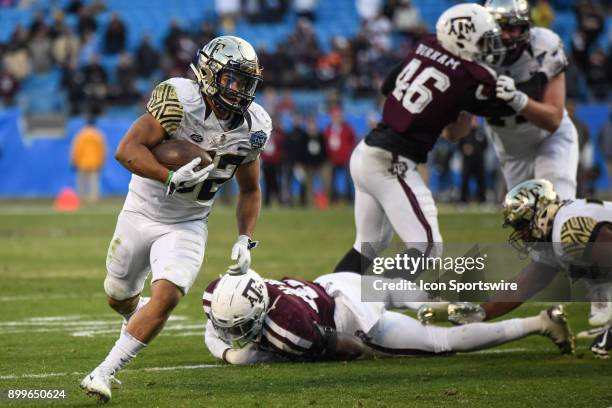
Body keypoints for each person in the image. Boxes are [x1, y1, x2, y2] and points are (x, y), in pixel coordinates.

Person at [80, 36, 271, 403]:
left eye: (246, 82)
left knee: (166, 295)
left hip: (188, 222)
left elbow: (250, 190)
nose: (240, 89)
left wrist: (244, 238)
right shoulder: (180, 100)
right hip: (140, 211)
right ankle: (132, 319)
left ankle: (104, 371)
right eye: (232, 79)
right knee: (118, 296)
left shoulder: (254, 126)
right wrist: (167, 176)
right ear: (210, 74)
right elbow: (126, 150)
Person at [334, 3, 509, 274]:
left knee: (367, 247)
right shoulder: (471, 77)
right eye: (482, 41)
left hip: (368, 150)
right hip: (391, 160)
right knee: (426, 249)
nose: (487, 48)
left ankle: (324, 307)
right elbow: (457, 133)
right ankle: (377, 301)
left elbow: (386, 86)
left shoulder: (425, 44)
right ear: (462, 37)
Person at [203, 269, 573, 364]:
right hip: (337, 283)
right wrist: (230, 353)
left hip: (352, 317)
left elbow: (349, 347)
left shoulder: (290, 329)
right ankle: (469, 300)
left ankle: (540, 322)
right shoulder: (223, 289)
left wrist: (367, 348)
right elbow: (214, 326)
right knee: (429, 299)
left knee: (440, 342)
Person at [449, 179, 612, 358]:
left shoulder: (568, 232)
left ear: (541, 211)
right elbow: (524, 285)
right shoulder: (553, 237)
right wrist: (478, 314)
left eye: (521, 224)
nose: (520, 233)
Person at [480, 0, 579, 201]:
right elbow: (453, 133)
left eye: (513, 28)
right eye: (500, 28)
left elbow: (553, 120)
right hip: (510, 150)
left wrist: (518, 100)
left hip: (549, 138)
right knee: (527, 226)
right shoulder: (473, 55)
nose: (506, 36)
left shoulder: (544, 45)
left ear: (526, 27)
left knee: (555, 208)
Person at [323, 106, 355, 205]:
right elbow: (325, 142)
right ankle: (333, 199)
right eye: (335, 116)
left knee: (348, 179)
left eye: (338, 116)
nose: (337, 118)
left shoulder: (347, 128)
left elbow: (352, 141)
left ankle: (349, 199)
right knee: (332, 180)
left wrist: (347, 151)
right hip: (332, 158)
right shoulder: (328, 129)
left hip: (345, 158)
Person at [71, 120, 107, 204]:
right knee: (94, 183)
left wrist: (74, 161)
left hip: (82, 162)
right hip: (95, 162)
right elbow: (102, 150)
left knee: (81, 183)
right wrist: (102, 162)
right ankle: (94, 200)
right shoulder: (98, 135)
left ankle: (81, 200)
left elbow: (76, 149)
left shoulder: (81, 135)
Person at [459, 117, 488, 203]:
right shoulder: (464, 133)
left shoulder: (481, 132)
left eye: (475, 120)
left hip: (479, 161)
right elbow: (459, 146)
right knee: (465, 180)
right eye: (472, 120)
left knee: (481, 181)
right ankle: (463, 200)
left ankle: (482, 200)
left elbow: (486, 145)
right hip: (467, 161)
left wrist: (478, 151)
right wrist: (464, 149)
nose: (474, 122)